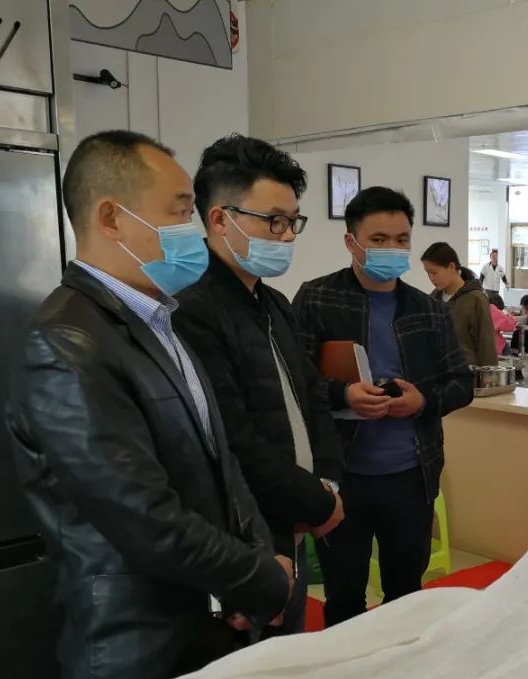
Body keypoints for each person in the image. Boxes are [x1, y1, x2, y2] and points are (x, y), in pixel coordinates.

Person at [6, 130, 293, 679]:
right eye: (180, 212)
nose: (193, 230)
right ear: (112, 217)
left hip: (207, 626)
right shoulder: (66, 342)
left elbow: (220, 463)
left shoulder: (158, 321)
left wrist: (254, 565)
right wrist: (261, 579)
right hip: (137, 653)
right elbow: (142, 517)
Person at [173, 134, 345, 636]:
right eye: (273, 220)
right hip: (247, 536)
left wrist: (328, 483)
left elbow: (313, 397)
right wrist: (314, 502)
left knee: (291, 657)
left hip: (295, 521)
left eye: (293, 221)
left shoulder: (274, 304)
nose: (287, 235)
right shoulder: (193, 310)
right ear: (219, 219)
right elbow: (232, 437)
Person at [293, 187, 473, 626]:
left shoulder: (427, 310)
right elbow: (294, 381)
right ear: (351, 241)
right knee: (343, 594)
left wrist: (422, 401)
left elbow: (461, 383)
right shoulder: (317, 298)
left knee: (406, 593)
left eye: (401, 239)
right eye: (378, 239)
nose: (392, 248)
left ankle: (401, 661)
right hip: (342, 476)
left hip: (411, 477)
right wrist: (343, 394)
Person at [423, 242, 498, 367]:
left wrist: (489, 376)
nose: (431, 278)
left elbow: (486, 345)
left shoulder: (475, 299)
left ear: (451, 267)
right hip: (437, 373)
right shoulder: (434, 297)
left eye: (434, 272)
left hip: (467, 373)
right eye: (428, 273)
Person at [487, 291, 518, 356]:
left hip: (480, 345)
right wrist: (509, 316)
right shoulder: (493, 310)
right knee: (505, 347)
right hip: (493, 346)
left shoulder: (482, 308)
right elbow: (510, 326)